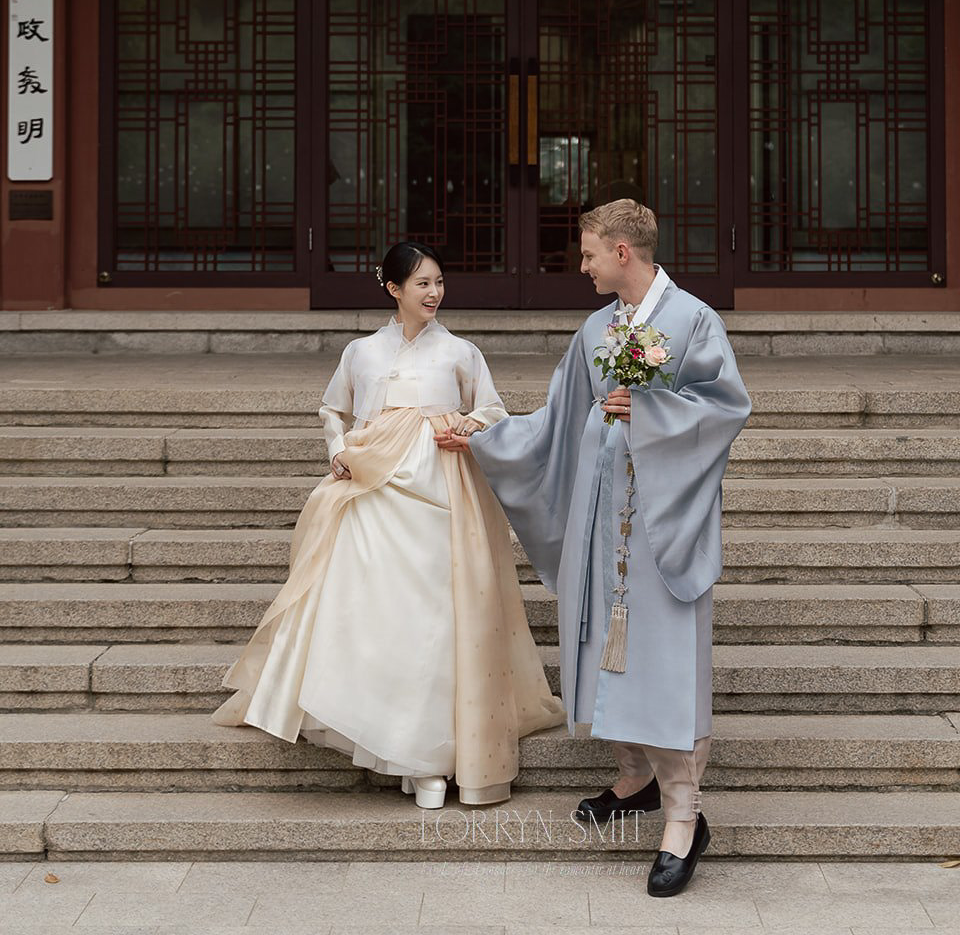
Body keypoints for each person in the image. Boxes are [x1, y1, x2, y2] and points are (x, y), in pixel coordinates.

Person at [437, 199, 751, 896]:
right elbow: (557, 418)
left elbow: (726, 406)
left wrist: (651, 409)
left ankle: (682, 817)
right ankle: (636, 778)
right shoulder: (595, 329)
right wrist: (484, 439)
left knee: (660, 667)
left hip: (660, 527)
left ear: (620, 253)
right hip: (598, 520)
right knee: (597, 653)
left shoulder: (692, 319)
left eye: (585, 254)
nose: (578, 266)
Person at [213, 241, 564, 808]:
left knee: (436, 620)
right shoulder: (361, 352)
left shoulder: (460, 352)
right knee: (379, 615)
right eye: (422, 283)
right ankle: (395, 749)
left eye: (440, 282)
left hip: (440, 488)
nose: (434, 293)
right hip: (372, 491)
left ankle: (433, 754)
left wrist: (464, 426)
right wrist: (337, 448)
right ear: (394, 289)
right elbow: (334, 409)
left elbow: (494, 411)